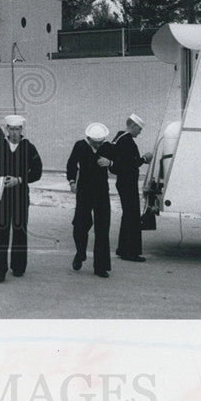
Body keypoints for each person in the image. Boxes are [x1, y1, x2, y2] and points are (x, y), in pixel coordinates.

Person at [0, 115, 43, 282]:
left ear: (21, 130)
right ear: (6, 130)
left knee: (19, 230)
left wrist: (20, 180)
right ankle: (0, 270)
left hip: (20, 196)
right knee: (2, 231)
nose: (14, 132)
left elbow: (37, 171)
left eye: (17, 129)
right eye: (11, 129)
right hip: (1, 194)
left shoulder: (28, 147)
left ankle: (18, 267)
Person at [66, 122, 116, 278]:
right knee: (80, 225)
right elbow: (71, 164)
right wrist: (72, 181)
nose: (98, 145)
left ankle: (100, 266)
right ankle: (80, 252)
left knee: (102, 228)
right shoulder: (80, 146)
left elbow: (118, 165)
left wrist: (110, 163)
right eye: (95, 143)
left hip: (101, 191)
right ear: (88, 138)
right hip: (84, 191)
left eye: (100, 142)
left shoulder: (107, 147)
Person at [111, 114, 153, 262]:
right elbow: (130, 163)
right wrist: (144, 159)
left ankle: (123, 249)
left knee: (128, 214)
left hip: (122, 181)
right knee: (132, 215)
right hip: (128, 182)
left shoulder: (119, 138)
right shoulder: (127, 142)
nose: (140, 132)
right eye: (139, 129)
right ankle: (130, 251)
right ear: (133, 126)